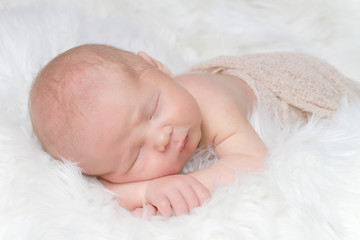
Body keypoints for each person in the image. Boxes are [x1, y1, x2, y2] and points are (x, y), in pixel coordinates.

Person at [28, 44, 360, 218]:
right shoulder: (111, 147)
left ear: (158, 67)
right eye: (134, 158)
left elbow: (253, 160)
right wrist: (144, 194)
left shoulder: (208, 99)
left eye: (153, 110)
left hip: (292, 84)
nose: (161, 138)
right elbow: (102, 193)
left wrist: (184, 183)